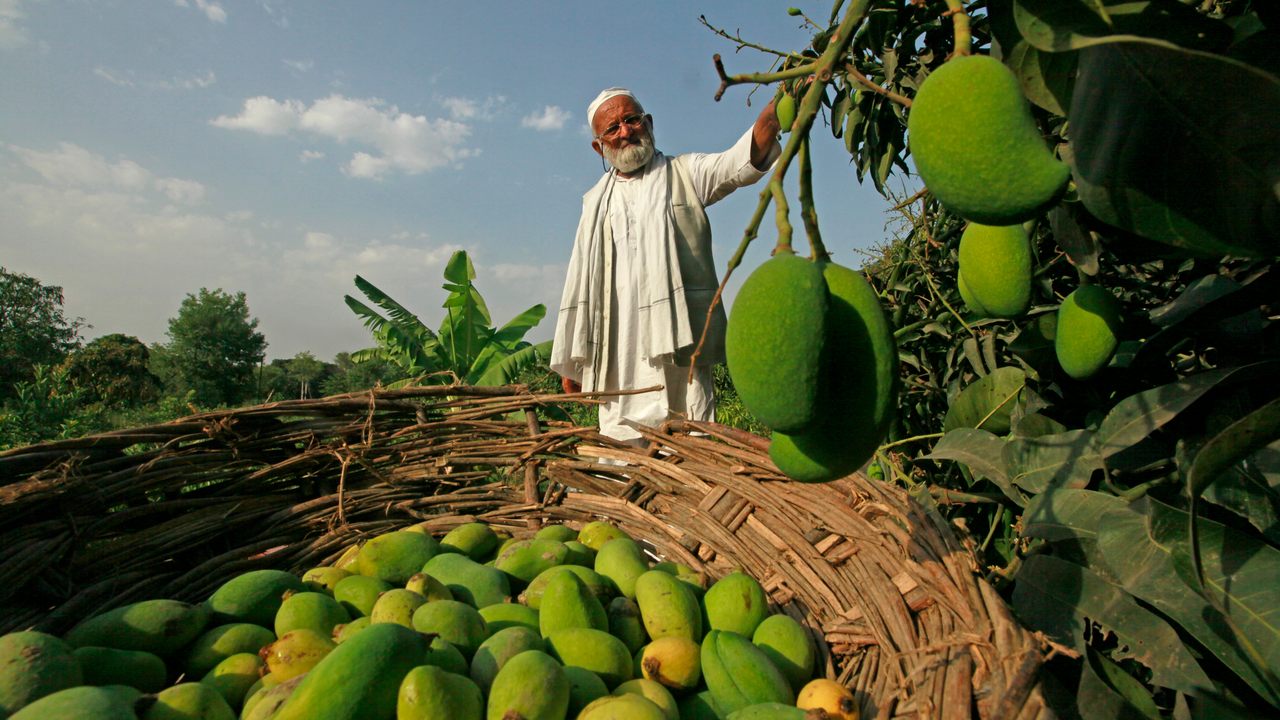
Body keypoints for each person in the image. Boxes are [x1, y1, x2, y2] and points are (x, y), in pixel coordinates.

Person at [550, 87, 781, 444]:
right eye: (613, 128)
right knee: (620, 454)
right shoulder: (594, 203)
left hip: (678, 344)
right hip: (617, 354)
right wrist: (577, 357)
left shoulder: (684, 173)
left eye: (632, 120)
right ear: (599, 146)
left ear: (649, 123)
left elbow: (739, 163)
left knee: (689, 442)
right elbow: (581, 281)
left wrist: (777, 109)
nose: (626, 132)